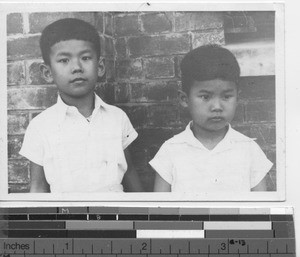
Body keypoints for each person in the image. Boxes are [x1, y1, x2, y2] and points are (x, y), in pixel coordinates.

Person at [19, 18, 142, 193]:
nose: (77, 67)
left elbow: (129, 171)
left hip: (115, 216)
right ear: (47, 72)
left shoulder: (117, 117)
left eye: (85, 58)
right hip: (67, 217)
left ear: (99, 67)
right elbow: (38, 186)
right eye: (64, 60)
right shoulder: (40, 127)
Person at [150, 44, 273, 193]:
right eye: (205, 97)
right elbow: (161, 212)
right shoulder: (170, 151)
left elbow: (260, 211)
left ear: (237, 97)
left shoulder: (249, 150)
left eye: (226, 96)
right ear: (184, 99)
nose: (217, 106)